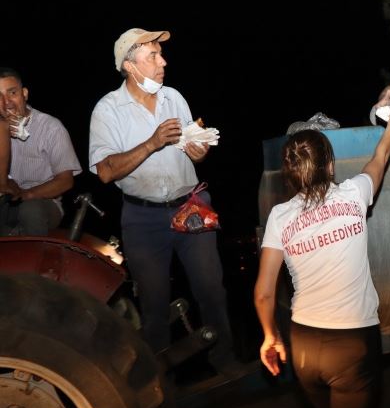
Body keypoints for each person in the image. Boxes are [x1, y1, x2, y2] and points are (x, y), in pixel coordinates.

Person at [254, 109, 390, 408]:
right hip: (352, 347)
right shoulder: (354, 194)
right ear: (331, 164)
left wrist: (269, 336)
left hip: (305, 347)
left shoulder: (279, 216)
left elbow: (263, 292)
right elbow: (379, 159)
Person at [88, 28, 242, 378]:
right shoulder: (108, 110)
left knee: (211, 290)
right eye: (153, 56)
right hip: (142, 219)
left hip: (190, 206)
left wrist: (198, 150)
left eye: (161, 54)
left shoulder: (174, 97)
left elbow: (190, 148)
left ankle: (226, 362)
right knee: (154, 305)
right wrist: (152, 143)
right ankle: (160, 382)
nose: (163, 62)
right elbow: (106, 172)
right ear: (130, 65)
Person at [0, 67, 82, 236]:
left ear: (24, 93)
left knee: (30, 210)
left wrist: (25, 194)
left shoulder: (51, 127)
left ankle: (38, 260)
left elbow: (66, 181)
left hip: (43, 201)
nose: (6, 102)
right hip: (6, 200)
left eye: (12, 93)